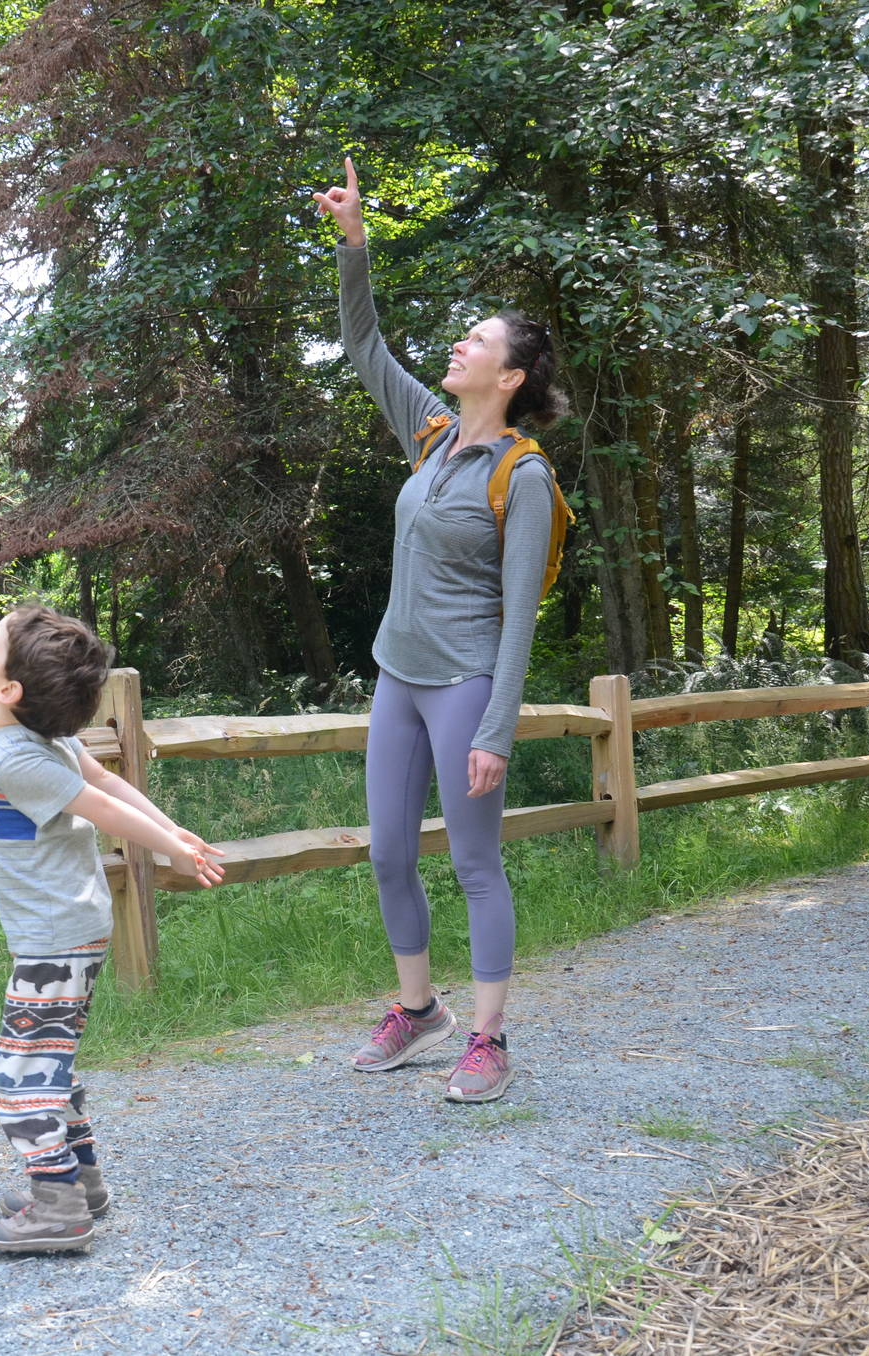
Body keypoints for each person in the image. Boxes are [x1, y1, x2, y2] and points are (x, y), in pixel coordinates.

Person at [311, 157, 568, 1103]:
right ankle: (419, 1009)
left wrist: (497, 729)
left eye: (474, 343)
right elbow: (363, 342)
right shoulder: (428, 433)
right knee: (387, 850)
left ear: (511, 375)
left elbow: (518, 618)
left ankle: (490, 1037)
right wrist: (354, 246)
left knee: (471, 859)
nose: (456, 351)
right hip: (397, 675)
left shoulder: (524, 476)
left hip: (465, 683)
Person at [0, 604, 225, 1252]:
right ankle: (81, 1182)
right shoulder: (37, 741)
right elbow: (104, 778)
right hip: (65, 931)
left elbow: (102, 800)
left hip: (55, 939)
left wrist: (167, 842)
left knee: (19, 1076)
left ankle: (57, 1205)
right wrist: (169, 831)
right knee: (49, 1065)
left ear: (9, 690)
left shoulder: (17, 758)